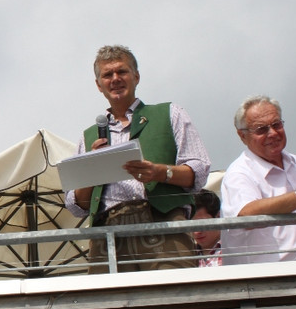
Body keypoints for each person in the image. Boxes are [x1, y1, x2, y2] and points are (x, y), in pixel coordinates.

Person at [64, 45, 211, 271]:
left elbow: (198, 171)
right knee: (111, 303)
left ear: (136, 76)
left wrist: (159, 173)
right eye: (107, 74)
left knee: (171, 297)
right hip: (108, 233)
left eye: (122, 72)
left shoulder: (170, 113)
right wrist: (92, 168)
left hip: (163, 221)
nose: (115, 79)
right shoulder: (88, 137)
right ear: (98, 85)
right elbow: (77, 205)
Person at [220, 95, 296, 264]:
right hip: (272, 280)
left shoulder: (295, 161)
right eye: (261, 129)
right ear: (242, 136)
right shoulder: (239, 172)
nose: (273, 133)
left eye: (276, 125)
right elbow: (245, 214)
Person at [190, 189, 223, 267]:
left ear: (218, 217)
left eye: (202, 223)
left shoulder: (233, 249)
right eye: (191, 225)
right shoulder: (188, 253)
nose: (197, 232)